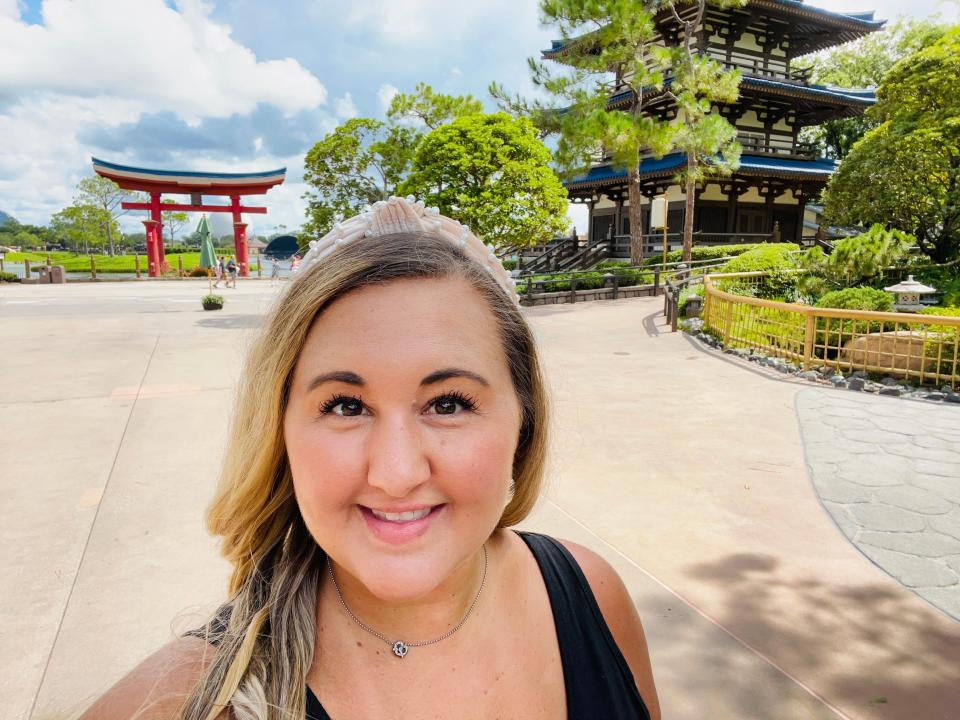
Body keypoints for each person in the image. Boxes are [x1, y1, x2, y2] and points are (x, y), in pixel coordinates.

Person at [79, 197, 660, 720]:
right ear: (278, 429)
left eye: (449, 403)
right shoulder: (179, 704)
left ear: (523, 419)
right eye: (345, 406)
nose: (397, 473)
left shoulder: (592, 592)